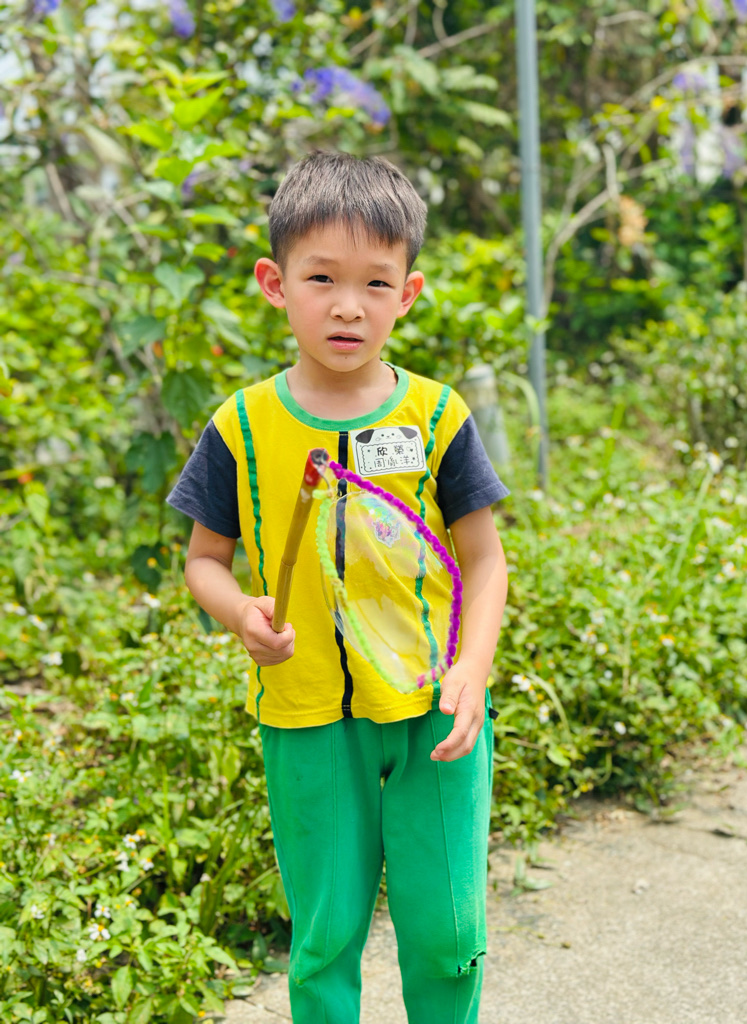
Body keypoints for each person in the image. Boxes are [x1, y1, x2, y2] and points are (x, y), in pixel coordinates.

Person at [167, 151, 509, 1024]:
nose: (349, 305)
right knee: (324, 937)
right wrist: (240, 612)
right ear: (275, 283)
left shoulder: (437, 417)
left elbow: (484, 559)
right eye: (322, 278)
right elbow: (203, 560)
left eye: (375, 283)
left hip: (435, 713)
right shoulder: (241, 425)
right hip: (307, 716)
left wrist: (472, 671)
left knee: (447, 932)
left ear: (409, 293)